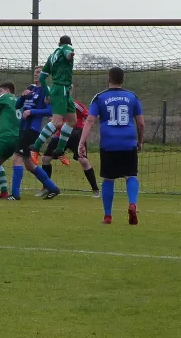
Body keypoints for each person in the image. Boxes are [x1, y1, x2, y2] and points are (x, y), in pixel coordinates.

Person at [78, 67, 144, 225]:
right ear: (123, 79)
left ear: (109, 78)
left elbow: (90, 121)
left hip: (109, 143)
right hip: (128, 142)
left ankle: (108, 216)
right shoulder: (132, 97)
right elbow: (140, 123)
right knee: (131, 176)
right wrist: (140, 141)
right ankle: (132, 204)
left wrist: (81, 142)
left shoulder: (100, 97)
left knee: (108, 179)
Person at [7, 66, 61, 200]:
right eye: (35, 72)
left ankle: (15, 194)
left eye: (39, 72)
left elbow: (50, 111)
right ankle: (53, 188)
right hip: (23, 128)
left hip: (32, 129)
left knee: (16, 158)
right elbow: (18, 105)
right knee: (29, 164)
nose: (36, 74)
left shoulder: (46, 91)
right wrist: (22, 96)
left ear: (45, 76)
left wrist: (32, 112)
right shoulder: (30, 88)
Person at [37, 87, 100, 198]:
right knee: (45, 159)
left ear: (70, 91)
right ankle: (46, 187)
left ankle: (96, 190)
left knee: (83, 160)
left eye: (68, 89)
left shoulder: (75, 105)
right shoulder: (57, 105)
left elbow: (89, 116)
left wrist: (82, 129)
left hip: (75, 134)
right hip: (60, 135)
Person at [29, 35, 76, 158]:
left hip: (62, 89)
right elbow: (67, 52)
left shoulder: (52, 56)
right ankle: (36, 146)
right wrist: (70, 54)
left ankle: (60, 149)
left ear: (58, 43)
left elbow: (43, 77)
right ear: (69, 43)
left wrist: (48, 93)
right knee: (56, 122)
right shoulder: (66, 49)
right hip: (61, 88)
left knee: (72, 120)